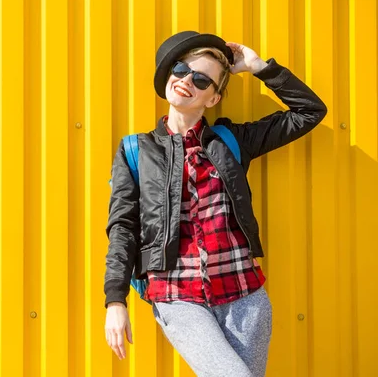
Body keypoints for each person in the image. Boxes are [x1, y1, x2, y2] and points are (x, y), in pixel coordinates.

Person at [104, 31, 327, 376]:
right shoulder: (136, 150)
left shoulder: (230, 140)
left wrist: (257, 67)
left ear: (214, 98)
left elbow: (310, 111)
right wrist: (115, 300)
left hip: (244, 295)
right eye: (180, 69)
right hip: (176, 296)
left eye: (201, 79)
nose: (185, 81)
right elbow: (123, 228)